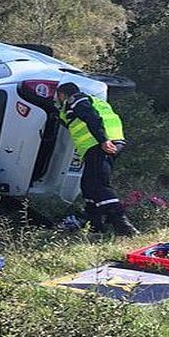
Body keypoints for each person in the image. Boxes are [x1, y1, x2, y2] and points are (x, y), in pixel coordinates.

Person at [56, 82, 138, 236]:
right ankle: (96, 225)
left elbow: (91, 117)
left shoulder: (76, 99)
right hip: (110, 143)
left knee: (99, 184)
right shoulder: (96, 101)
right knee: (87, 185)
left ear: (62, 94)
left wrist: (103, 140)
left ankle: (124, 226)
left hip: (99, 145)